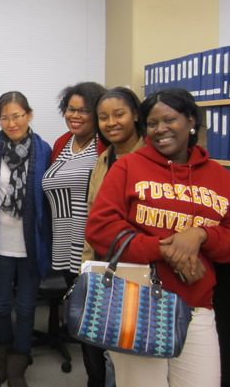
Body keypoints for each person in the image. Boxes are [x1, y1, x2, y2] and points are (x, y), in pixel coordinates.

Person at [86, 88, 230, 387]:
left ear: (190, 121)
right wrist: (167, 249)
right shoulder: (128, 167)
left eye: (169, 120)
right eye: (152, 123)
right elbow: (100, 228)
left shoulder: (223, 179)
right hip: (137, 304)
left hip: (196, 305)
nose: (160, 129)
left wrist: (201, 235)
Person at [0, 91, 51, 387]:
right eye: (4, 117)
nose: (11, 122)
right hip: (0, 240)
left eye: (17, 115)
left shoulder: (43, 149)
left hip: (31, 242)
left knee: (28, 306)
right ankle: (3, 354)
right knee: (1, 304)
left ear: (29, 115)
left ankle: (20, 359)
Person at [42, 81, 106, 387]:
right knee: (81, 319)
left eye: (84, 110)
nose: (75, 115)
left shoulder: (103, 145)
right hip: (64, 244)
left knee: (96, 324)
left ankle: (98, 380)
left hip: (90, 247)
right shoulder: (62, 143)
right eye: (71, 109)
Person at [84, 86, 145, 387]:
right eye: (104, 117)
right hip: (103, 266)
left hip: (138, 268)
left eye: (119, 114)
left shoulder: (151, 159)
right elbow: (93, 216)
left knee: (126, 352)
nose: (111, 123)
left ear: (135, 114)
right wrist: (86, 268)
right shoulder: (104, 159)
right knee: (101, 345)